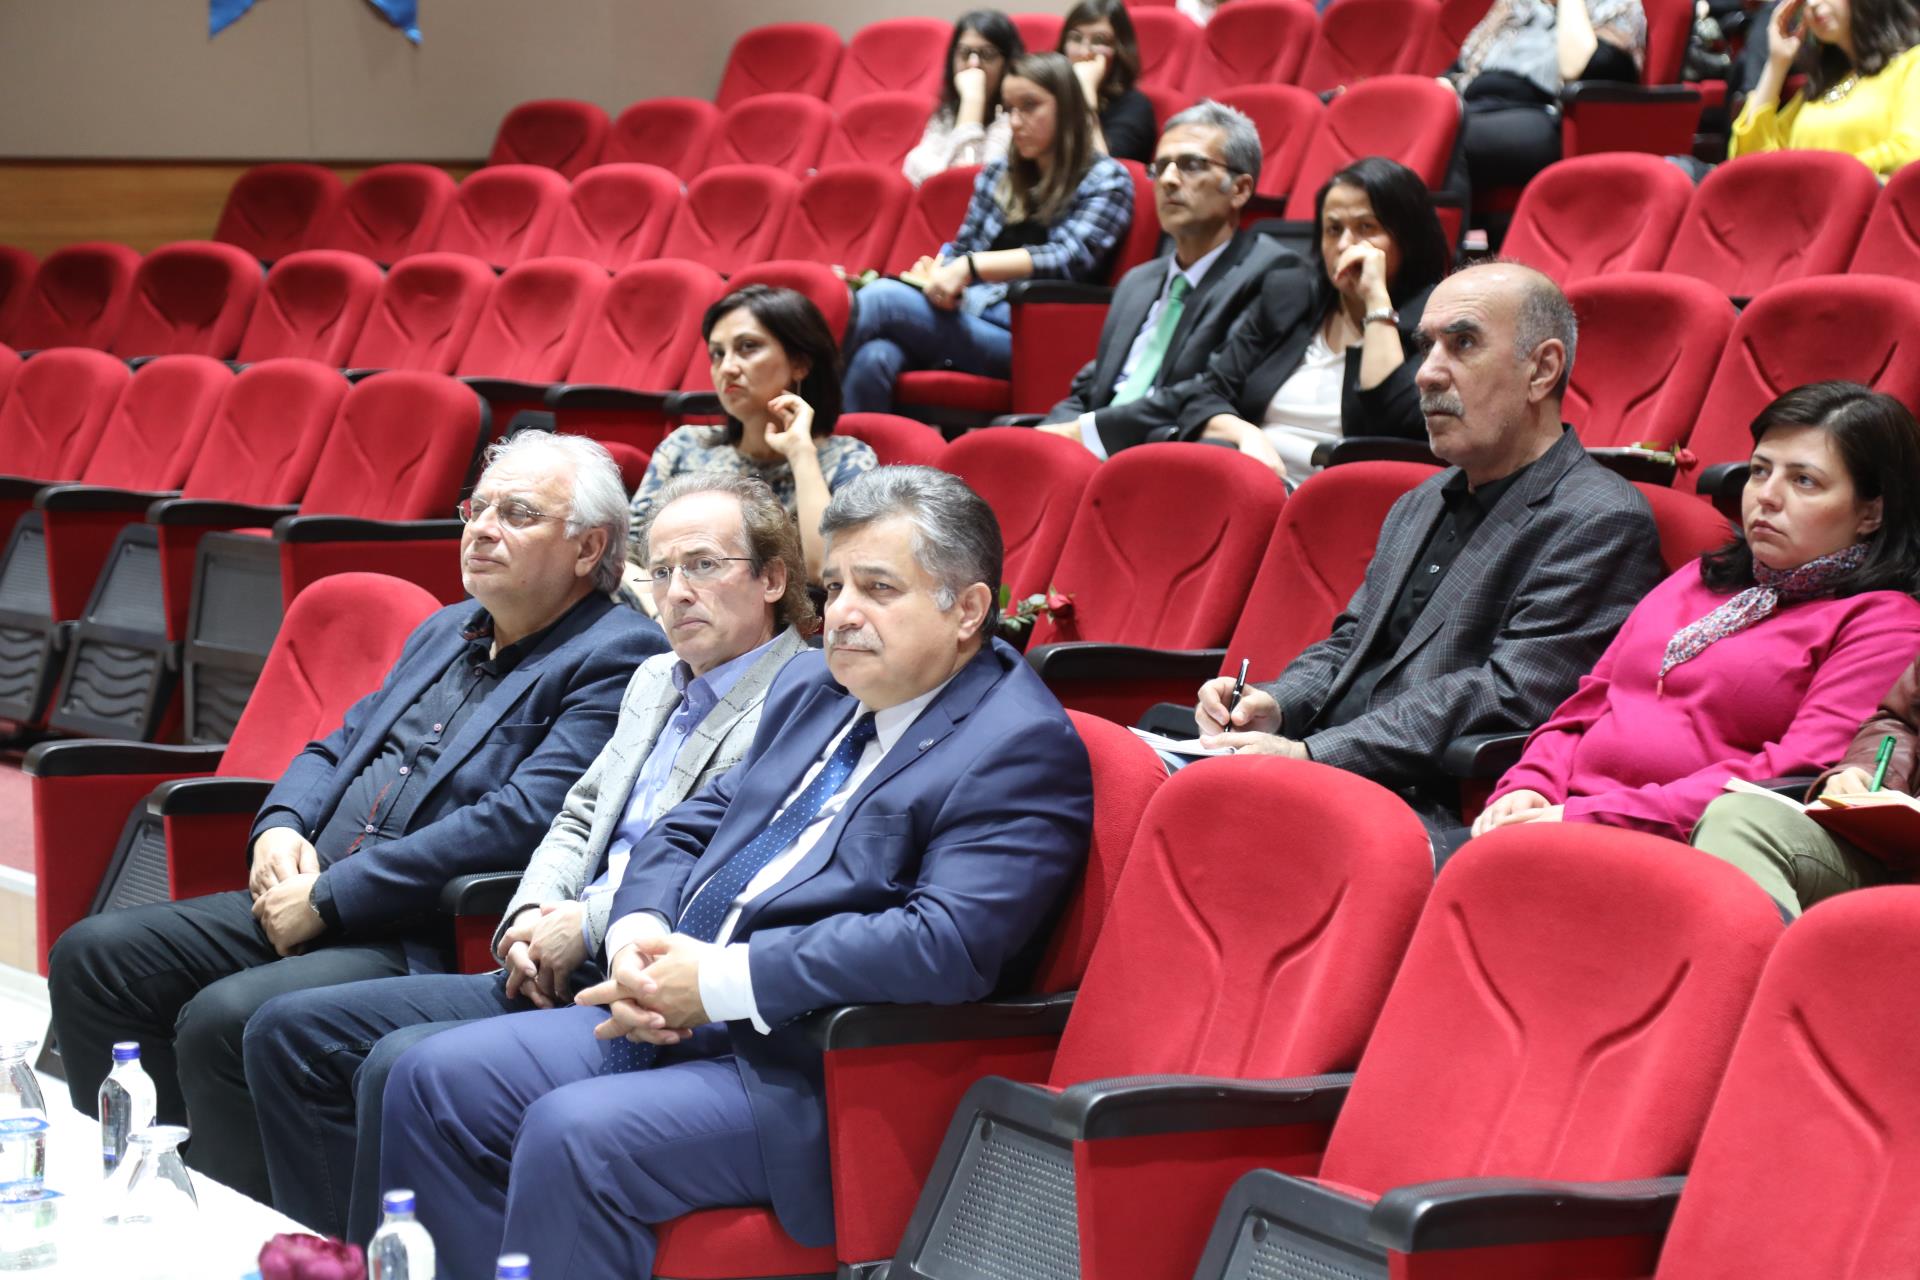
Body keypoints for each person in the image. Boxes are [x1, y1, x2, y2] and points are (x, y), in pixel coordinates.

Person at [378, 467, 1095, 1279]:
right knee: (432, 1079)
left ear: (967, 609)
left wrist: (719, 982)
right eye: (835, 586)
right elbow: (688, 825)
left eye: (878, 588)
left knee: (573, 1132)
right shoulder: (817, 685)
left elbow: (947, 943)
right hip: (681, 1006)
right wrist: (637, 938)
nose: (843, 614)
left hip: (812, 1066)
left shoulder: (1018, 745)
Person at [45, 431, 668, 1201]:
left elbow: (519, 819)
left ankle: (276, 1240)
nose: (482, 529)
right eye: (476, 509)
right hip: (318, 892)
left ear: (589, 548)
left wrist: (331, 898)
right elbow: (335, 745)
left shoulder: (617, 654)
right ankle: (150, 1197)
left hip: (420, 928)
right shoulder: (447, 628)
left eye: (517, 514)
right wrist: (280, 824)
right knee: (95, 957)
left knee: (222, 1018)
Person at [241, 474, 816, 1244]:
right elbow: (578, 816)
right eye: (662, 570)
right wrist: (529, 915)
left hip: (651, 978)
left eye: (704, 566)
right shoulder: (656, 677)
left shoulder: (802, 698)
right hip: (551, 951)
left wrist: (583, 925)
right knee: (288, 1031)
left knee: (401, 1064)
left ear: (772, 578)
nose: (677, 592)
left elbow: (716, 865)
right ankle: (331, 1259)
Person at [1192, 262, 1664, 855]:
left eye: (1462, 343)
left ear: (1542, 370)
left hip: (1424, 803)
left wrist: (1311, 754)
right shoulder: (1421, 500)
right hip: (1326, 766)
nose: (1426, 373)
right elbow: (1351, 641)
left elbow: (1505, 694)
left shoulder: (1600, 518)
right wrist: (1277, 705)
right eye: (1426, 346)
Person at [1467, 385, 1920, 847]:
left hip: (1679, 845)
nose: (1766, 496)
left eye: (1804, 481)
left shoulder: (1883, 622)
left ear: (1871, 513)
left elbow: (1793, 772)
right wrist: (1529, 784)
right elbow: (1587, 705)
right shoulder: (1700, 578)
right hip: (1559, 816)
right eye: (1759, 471)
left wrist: (1587, 816)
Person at [1057, 156, 1450, 479]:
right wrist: (1247, 436)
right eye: (1333, 229)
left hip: (1340, 497)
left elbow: (1393, 424)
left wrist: (1376, 301)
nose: (1345, 245)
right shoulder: (1292, 295)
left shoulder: (1436, 320)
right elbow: (1207, 393)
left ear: (1406, 238)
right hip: (1252, 479)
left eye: (1366, 228)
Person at [842, 52, 1134, 414]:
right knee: (874, 358)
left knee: (882, 299)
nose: (1016, 122)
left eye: (1030, 106)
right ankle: (851, 450)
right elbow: (964, 245)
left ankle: (797, 409)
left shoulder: (1106, 179)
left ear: (1068, 106)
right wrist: (941, 275)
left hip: (1030, 336)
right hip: (968, 310)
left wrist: (969, 268)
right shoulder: (999, 173)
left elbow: (1068, 257)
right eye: (1009, 109)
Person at [1036, 102, 1288, 450]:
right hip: (1092, 442)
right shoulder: (1137, 282)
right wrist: (1045, 437)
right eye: (1160, 167)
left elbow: (1211, 390)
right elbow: (1090, 389)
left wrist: (1084, 434)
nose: (1168, 180)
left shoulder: (1271, 273)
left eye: (1191, 165)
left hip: (1168, 451)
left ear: (1240, 189)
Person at [626, 286, 875, 593]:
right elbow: (627, 554)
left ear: (800, 363)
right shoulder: (683, 446)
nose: (727, 368)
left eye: (747, 347)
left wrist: (801, 454)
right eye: (718, 354)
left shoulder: (848, 458)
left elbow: (824, 570)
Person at [1693, 649, 1920, 913]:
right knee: (1736, 820)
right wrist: (1870, 771)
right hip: (1898, 856)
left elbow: (1802, 752)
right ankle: (1756, 940)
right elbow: (1902, 722)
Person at [1450, 0, 1648, 198]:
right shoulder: (1518, 5)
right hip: (1477, 104)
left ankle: (1443, 218)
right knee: (1435, 125)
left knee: (1449, 138)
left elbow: (1588, 68)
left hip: (1545, 115)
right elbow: (1461, 66)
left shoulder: (1615, 6)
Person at [1729, 0, 1920, 175]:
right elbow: (1749, 164)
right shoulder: (1817, 88)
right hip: (1809, 201)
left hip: (1869, 200)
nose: (1812, 4)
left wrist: (1823, 179)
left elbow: (1910, 152)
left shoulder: (1912, 64)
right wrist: (1776, 63)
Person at [904, 10, 1025, 185]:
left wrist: (972, 101)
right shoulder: (947, 113)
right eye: (964, 52)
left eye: (987, 54)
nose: (973, 64)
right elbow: (913, 166)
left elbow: (968, 184)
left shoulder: (1015, 118)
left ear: (1007, 63)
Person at [1059, 0, 1158, 162]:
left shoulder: (1135, 106)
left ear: (1119, 50)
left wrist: (1086, 90)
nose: (1084, 51)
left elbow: (1103, 169)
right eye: (1076, 38)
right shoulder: (1050, 95)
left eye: (1099, 41)